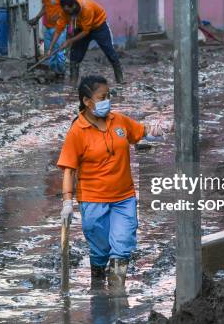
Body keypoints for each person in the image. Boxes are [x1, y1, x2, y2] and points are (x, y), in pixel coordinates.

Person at [57, 75, 165, 293]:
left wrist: (155, 132)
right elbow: (69, 169)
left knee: (122, 245)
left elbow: (141, 131)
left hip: (124, 198)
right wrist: (67, 202)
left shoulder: (119, 121)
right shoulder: (77, 131)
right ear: (87, 101)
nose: (108, 101)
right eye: (102, 97)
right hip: (93, 199)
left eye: (109, 96)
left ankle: (117, 298)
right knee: (100, 250)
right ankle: (98, 287)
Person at [45, 0, 125, 86]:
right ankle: (73, 81)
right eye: (65, 11)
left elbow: (86, 31)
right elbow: (58, 29)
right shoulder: (65, 11)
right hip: (81, 27)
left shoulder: (87, 8)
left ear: (74, 6)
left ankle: (120, 79)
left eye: (68, 11)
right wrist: (50, 49)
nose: (67, 14)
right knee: (75, 55)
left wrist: (69, 41)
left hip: (98, 26)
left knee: (109, 51)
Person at [28, 0, 68, 75]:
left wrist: (59, 15)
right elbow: (45, 7)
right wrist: (37, 18)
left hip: (59, 28)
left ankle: (61, 73)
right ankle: (52, 73)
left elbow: (67, 9)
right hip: (48, 26)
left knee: (58, 51)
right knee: (48, 52)